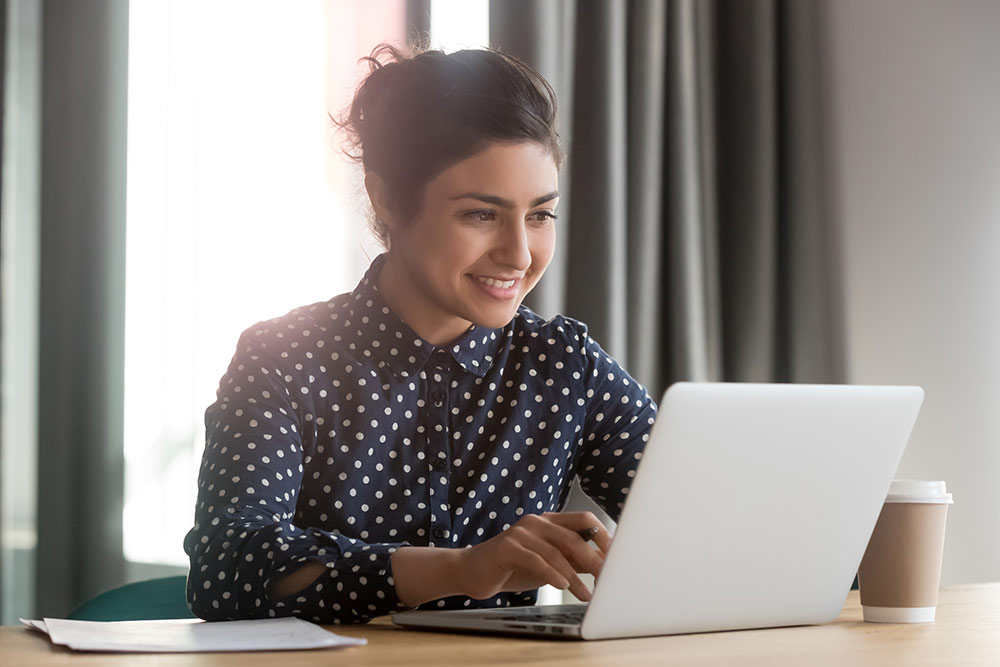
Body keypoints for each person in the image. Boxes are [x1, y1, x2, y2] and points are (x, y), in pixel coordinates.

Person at [184, 44, 657, 624]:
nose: (519, 254)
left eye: (539, 215)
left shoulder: (565, 366)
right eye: (480, 214)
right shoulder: (284, 357)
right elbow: (226, 569)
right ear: (387, 199)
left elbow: (703, 521)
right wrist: (462, 569)